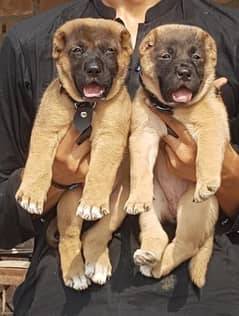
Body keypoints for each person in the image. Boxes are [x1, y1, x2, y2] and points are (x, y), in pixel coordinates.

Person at [0, 0, 239, 315]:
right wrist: (55, 178)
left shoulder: (229, 33)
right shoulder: (28, 43)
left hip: (203, 296)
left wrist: (225, 172)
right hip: (65, 298)